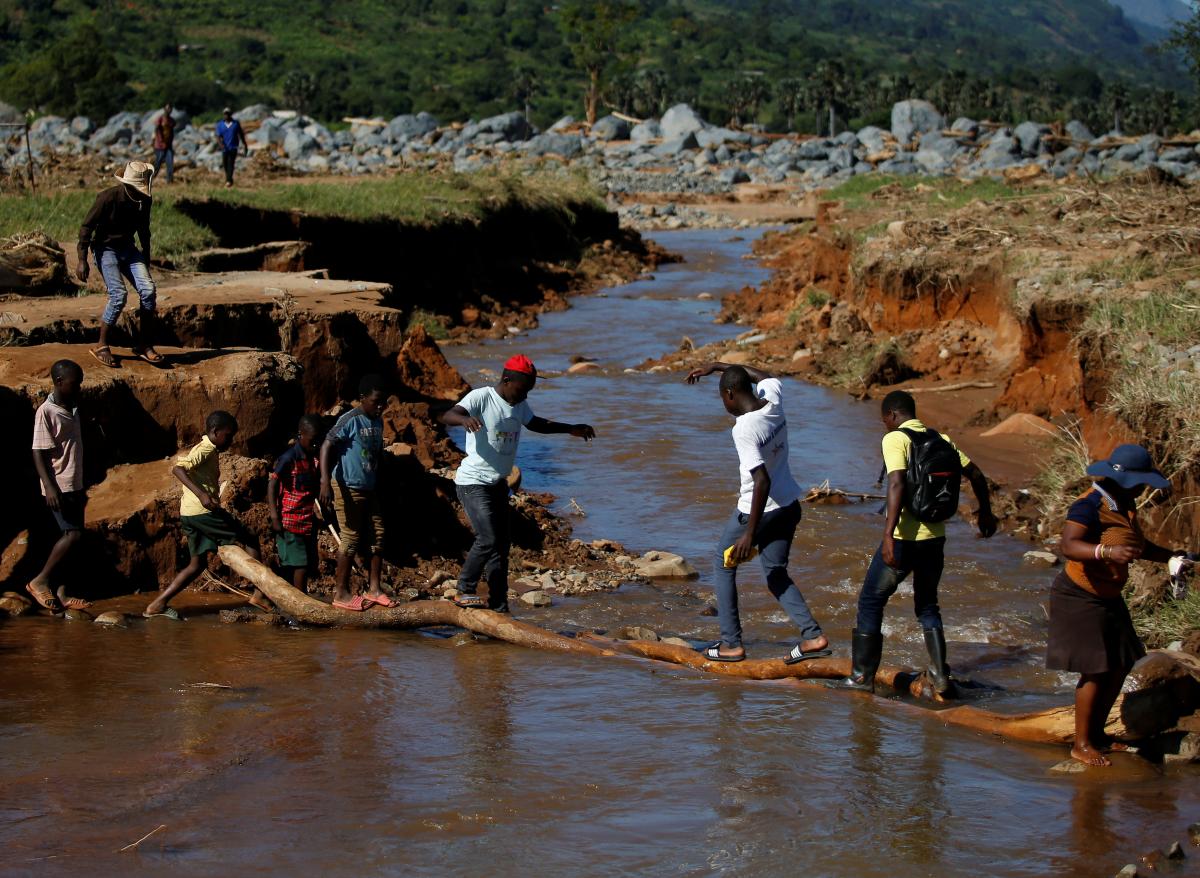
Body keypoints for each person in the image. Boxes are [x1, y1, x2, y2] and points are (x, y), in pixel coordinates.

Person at [841, 390, 997, 694]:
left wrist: (888, 535)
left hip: (904, 539)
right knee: (927, 604)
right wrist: (986, 514)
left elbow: (897, 483)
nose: (885, 425)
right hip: (935, 539)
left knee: (871, 600)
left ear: (891, 415)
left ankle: (860, 678)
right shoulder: (942, 439)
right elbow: (977, 475)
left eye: (884, 420)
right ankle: (940, 674)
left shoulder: (895, 439)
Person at [1048, 444, 1192, 767]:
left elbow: (1136, 546)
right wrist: (1105, 552)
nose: (1143, 489)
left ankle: (1098, 734)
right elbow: (1069, 545)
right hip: (1080, 595)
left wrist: (1171, 556)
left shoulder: (1123, 503)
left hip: (1107, 595)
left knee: (1121, 662)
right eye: (1141, 483)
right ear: (1126, 480)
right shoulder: (1090, 504)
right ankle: (1081, 744)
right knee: (1096, 670)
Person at [685, 362, 829, 663]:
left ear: (729, 394)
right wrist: (716, 366)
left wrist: (749, 534)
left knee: (723, 564)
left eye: (722, 398)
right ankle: (813, 636)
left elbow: (761, 480)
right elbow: (763, 375)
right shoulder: (773, 398)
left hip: (756, 512)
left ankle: (731, 644)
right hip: (788, 506)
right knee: (775, 573)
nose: (724, 405)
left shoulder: (744, 429)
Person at [440, 355, 595, 612]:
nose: (525, 396)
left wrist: (570, 428)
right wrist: (464, 420)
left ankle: (499, 605)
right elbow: (449, 414)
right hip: (474, 483)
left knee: (501, 546)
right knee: (487, 538)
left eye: (529, 391)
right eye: (522, 390)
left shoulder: (519, 404)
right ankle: (464, 589)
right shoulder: (482, 397)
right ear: (506, 380)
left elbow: (536, 424)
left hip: (498, 484)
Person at [144, 411, 270, 620]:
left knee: (197, 565)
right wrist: (202, 494)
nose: (230, 440)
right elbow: (178, 469)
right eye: (228, 436)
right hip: (203, 513)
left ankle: (157, 604)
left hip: (189, 514)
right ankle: (260, 594)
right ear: (215, 431)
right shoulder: (205, 448)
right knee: (249, 537)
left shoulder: (209, 448)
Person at [77, 161, 164, 369]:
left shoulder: (145, 200)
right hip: (105, 248)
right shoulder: (107, 198)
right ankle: (101, 345)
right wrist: (82, 259)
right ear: (127, 185)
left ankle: (144, 344)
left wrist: (146, 256)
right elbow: (86, 227)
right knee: (118, 295)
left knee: (148, 291)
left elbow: (144, 229)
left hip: (128, 248)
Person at [319, 376, 394, 612]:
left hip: (369, 487)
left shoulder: (377, 420)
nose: (380, 406)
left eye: (383, 402)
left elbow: (376, 452)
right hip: (346, 486)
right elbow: (327, 444)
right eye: (376, 401)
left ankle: (374, 589)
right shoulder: (350, 419)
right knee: (350, 539)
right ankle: (341, 593)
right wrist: (324, 481)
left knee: (378, 536)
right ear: (362, 399)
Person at [26, 359, 92, 611]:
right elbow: (38, 452)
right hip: (60, 484)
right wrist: (49, 486)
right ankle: (39, 581)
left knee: (72, 539)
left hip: (75, 482)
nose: (79, 387)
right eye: (75, 384)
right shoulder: (46, 411)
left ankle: (63, 593)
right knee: (73, 535)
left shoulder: (73, 405)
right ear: (59, 382)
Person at [269, 415, 324, 592]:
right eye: (313, 441)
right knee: (300, 565)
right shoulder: (289, 458)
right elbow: (273, 484)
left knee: (301, 564)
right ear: (301, 435)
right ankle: (301, 601)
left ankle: (279, 597)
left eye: (318, 441)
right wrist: (274, 516)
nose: (316, 445)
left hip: (306, 520)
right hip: (289, 520)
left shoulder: (312, 458)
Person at [215, 107, 248, 188]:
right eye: (225, 114)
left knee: (231, 163)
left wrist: (244, 144)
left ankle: (228, 181)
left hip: (233, 147)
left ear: (231, 115)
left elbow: (241, 134)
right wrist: (221, 145)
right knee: (225, 164)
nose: (226, 116)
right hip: (224, 148)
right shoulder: (220, 124)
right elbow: (218, 136)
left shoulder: (235, 124)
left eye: (228, 114)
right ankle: (229, 179)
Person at [152, 103, 176, 184]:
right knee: (158, 163)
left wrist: (170, 142)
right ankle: (151, 179)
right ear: (164, 109)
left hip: (168, 145)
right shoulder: (160, 119)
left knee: (170, 163)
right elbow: (157, 130)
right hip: (160, 146)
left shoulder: (171, 120)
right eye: (168, 108)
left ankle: (169, 181)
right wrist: (161, 141)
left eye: (170, 108)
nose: (169, 110)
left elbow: (172, 131)